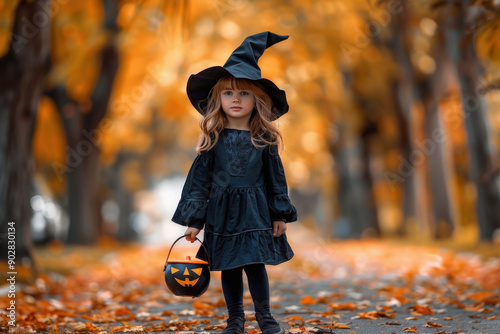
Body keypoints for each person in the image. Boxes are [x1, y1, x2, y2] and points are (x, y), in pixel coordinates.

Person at [172, 32, 297, 334]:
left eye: (244, 93)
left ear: (257, 99)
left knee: (255, 264)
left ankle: (265, 317)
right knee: (229, 267)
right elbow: (199, 183)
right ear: (217, 99)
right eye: (228, 94)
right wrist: (194, 222)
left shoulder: (264, 139)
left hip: (256, 213)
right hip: (222, 213)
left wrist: (279, 213)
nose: (236, 99)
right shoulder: (212, 141)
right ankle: (235, 319)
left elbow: (276, 180)